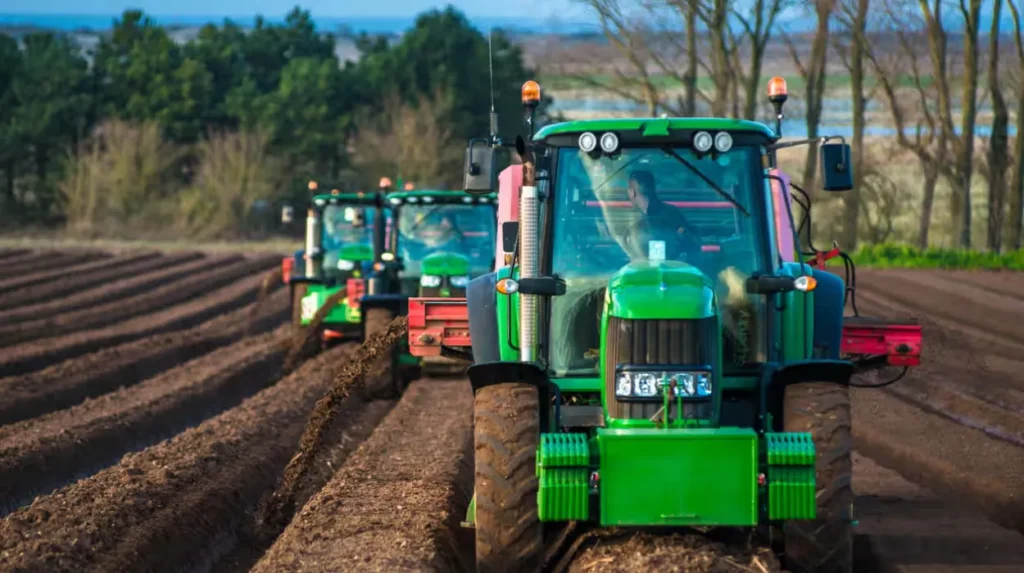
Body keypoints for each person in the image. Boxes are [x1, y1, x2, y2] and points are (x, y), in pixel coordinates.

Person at [625, 170, 700, 261]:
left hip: (670, 266)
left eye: (629, 190)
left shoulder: (670, 214)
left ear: (632, 192)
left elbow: (687, 238)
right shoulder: (635, 218)